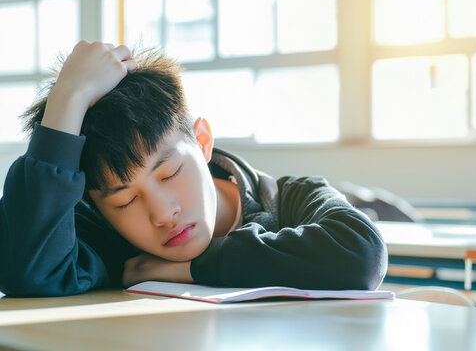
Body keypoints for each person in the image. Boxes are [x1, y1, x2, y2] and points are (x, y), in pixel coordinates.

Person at [0, 41, 388, 296]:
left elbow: (362, 256)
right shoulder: (112, 241)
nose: (162, 213)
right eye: (125, 200)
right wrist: (68, 99)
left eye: (169, 173)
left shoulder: (291, 198)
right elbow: (29, 271)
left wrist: (193, 267)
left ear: (202, 141)